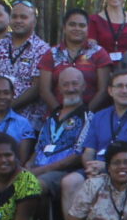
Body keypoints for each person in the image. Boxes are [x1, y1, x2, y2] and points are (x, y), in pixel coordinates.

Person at [69, 68, 127, 209]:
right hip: (96, 170)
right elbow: (89, 152)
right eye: (119, 86)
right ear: (110, 91)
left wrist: (108, 167)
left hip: (125, 172)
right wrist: (90, 168)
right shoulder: (98, 116)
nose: (124, 90)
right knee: (70, 182)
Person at [27, 66, 90, 199]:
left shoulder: (88, 117)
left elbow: (77, 156)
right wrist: (28, 165)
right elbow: (39, 147)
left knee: (34, 185)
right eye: (65, 85)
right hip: (38, 168)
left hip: (63, 172)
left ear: (83, 86)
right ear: (59, 89)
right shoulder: (51, 117)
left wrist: (38, 171)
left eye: (75, 84)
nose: (70, 88)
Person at [0, 0, 49, 117]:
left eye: (23, 17)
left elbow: (37, 87)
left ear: (34, 21)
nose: (18, 20)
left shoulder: (42, 49)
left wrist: (8, 107)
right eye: (14, 17)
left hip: (28, 118)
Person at [37, 8, 109, 113]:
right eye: (72, 24)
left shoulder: (99, 53)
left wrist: (85, 113)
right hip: (57, 116)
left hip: (91, 116)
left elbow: (103, 90)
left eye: (82, 25)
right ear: (64, 28)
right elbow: (44, 91)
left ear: (88, 29)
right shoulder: (51, 54)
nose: (77, 28)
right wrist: (60, 113)